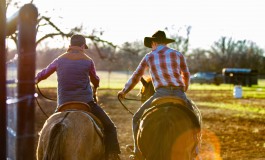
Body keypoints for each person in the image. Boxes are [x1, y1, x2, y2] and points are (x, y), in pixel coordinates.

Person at [35, 34, 121, 160]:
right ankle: (113, 154)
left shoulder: (59, 60)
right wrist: (96, 84)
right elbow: (95, 80)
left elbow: (44, 73)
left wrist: (35, 79)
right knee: (110, 127)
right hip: (86, 102)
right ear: (82, 46)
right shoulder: (88, 61)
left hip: (63, 103)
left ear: (70, 46)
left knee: (51, 124)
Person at [118, 30, 192, 160]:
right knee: (194, 117)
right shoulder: (177, 54)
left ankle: (137, 153)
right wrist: (184, 88)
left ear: (154, 43)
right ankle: (194, 151)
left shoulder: (149, 56)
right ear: (165, 43)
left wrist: (124, 91)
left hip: (160, 94)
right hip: (179, 93)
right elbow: (186, 74)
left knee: (136, 118)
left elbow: (137, 76)